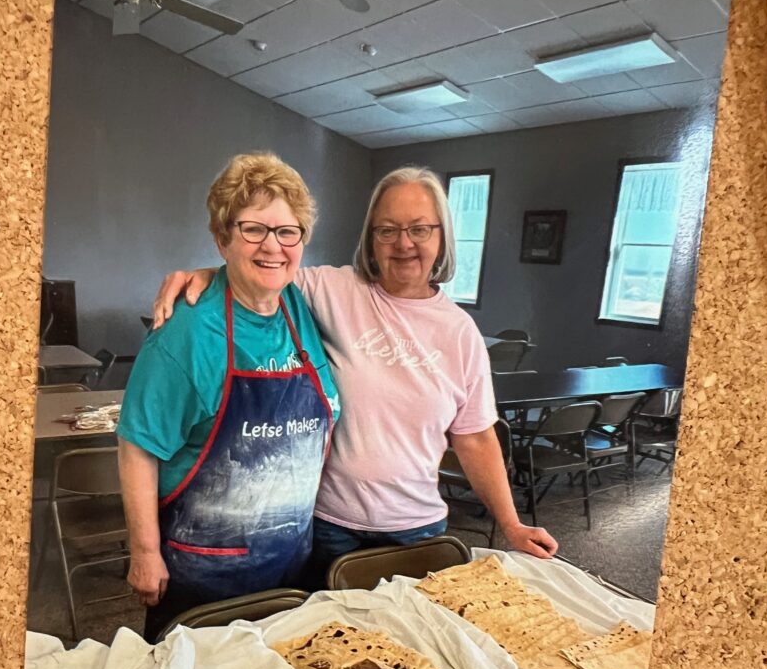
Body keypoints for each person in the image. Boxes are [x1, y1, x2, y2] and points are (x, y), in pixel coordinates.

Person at [153, 165, 557, 583]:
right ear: (371, 237)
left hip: (417, 531)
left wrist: (511, 524)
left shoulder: (460, 333)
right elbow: (263, 267)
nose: (403, 243)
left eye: (419, 229)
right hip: (329, 527)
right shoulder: (332, 289)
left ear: (441, 236)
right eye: (388, 230)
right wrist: (204, 275)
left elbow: (474, 437)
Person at [117, 153, 339, 642]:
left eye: (287, 231)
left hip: (291, 566)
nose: (273, 246)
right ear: (222, 238)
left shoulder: (301, 305)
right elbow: (138, 445)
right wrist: (144, 551)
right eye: (253, 229)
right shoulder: (188, 331)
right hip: (203, 580)